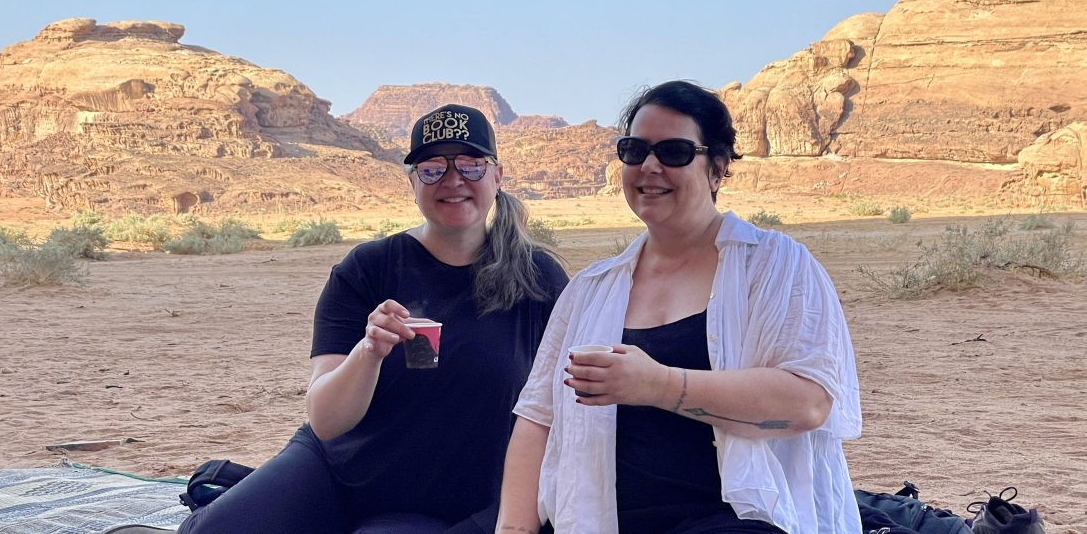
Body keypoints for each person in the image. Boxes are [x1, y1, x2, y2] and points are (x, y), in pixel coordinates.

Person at [179, 104, 569, 534]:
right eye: (433, 167)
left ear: (497, 176)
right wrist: (369, 351)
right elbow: (326, 420)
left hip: (453, 498)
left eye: (472, 166)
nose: (453, 180)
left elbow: (561, 417)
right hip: (336, 472)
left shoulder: (537, 280)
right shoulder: (367, 268)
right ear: (412, 182)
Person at [496, 81, 862, 534]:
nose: (650, 166)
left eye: (674, 152)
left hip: (732, 520)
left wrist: (659, 385)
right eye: (635, 150)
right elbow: (538, 418)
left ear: (718, 169)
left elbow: (808, 403)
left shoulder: (776, 265)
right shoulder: (592, 288)